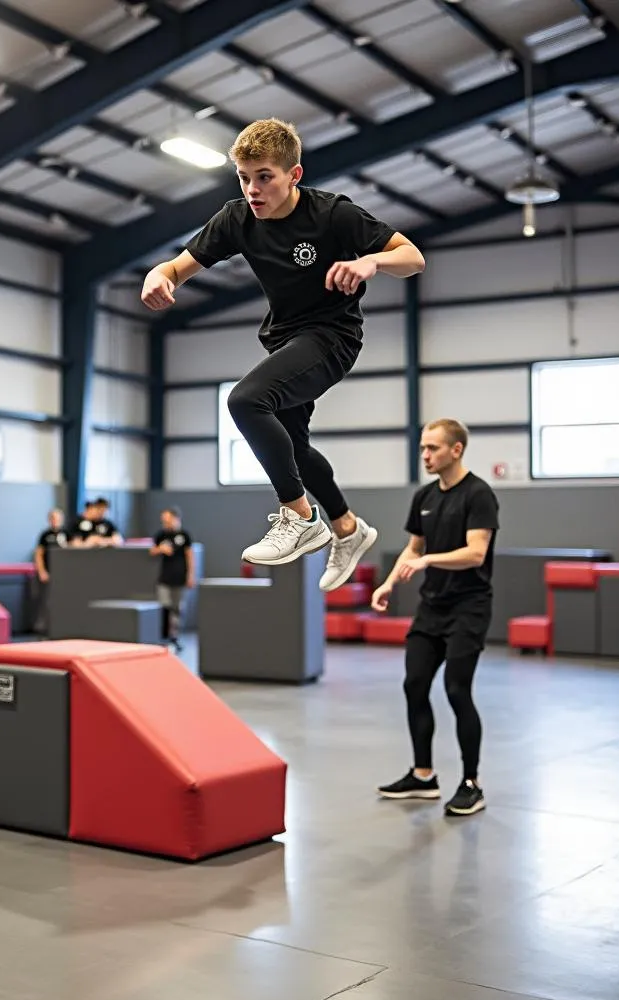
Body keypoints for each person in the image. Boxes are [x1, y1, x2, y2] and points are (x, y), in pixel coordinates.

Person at [141, 118, 425, 591]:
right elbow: (179, 265)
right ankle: (348, 529)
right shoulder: (236, 218)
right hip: (284, 339)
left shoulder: (332, 214)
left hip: (332, 337)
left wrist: (370, 260)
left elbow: (413, 257)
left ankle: (299, 516)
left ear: (294, 175)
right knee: (293, 446)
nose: (253, 189)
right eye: (244, 178)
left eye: (264, 177)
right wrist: (161, 274)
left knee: (245, 400)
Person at [370, 419, 499, 817]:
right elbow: (413, 548)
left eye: (433, 449)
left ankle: (471, 784)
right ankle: (423, 775)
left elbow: (476, 553)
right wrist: (388, 583)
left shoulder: (479, 495)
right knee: (414, 684)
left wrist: (428, 560)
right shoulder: (424, 496)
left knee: (457, 690)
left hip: (468, 606)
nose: (425, 455)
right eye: (423, 448)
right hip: (432, 607)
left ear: (456, 450)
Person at [149, 506, 196, 652]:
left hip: (180, 577)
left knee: (177, 608)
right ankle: (163, 638)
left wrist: (190, 575)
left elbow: (190, 556)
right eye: (164, 521)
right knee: (165, 606)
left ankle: (174, 637)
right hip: (164, 577)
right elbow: (152, 550)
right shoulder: (161, 535)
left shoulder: (184, 535)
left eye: (168, 520)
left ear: (176, 519)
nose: (166, 523)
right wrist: (160, 549)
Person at [33, 507, 68, 634]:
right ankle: (44, 628)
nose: (55, 521)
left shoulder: (66, 534)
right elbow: (38, 554)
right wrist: (42, 571)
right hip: (48, 573)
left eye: (58, 518)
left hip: (63, 574)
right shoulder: (45, 535)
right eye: (53, 518)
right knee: (46, 601)